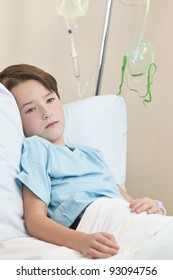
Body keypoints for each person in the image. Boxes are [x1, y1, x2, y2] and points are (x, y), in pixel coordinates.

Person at [0, 64, 172, 259]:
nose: (46, 112)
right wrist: (80, 241)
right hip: (94, 218)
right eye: (31, 109)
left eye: (50, 100)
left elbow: (125, 198)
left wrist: (147, 205)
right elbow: (35, 220)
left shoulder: (91, 154)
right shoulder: (37, 148)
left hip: (123, 212)